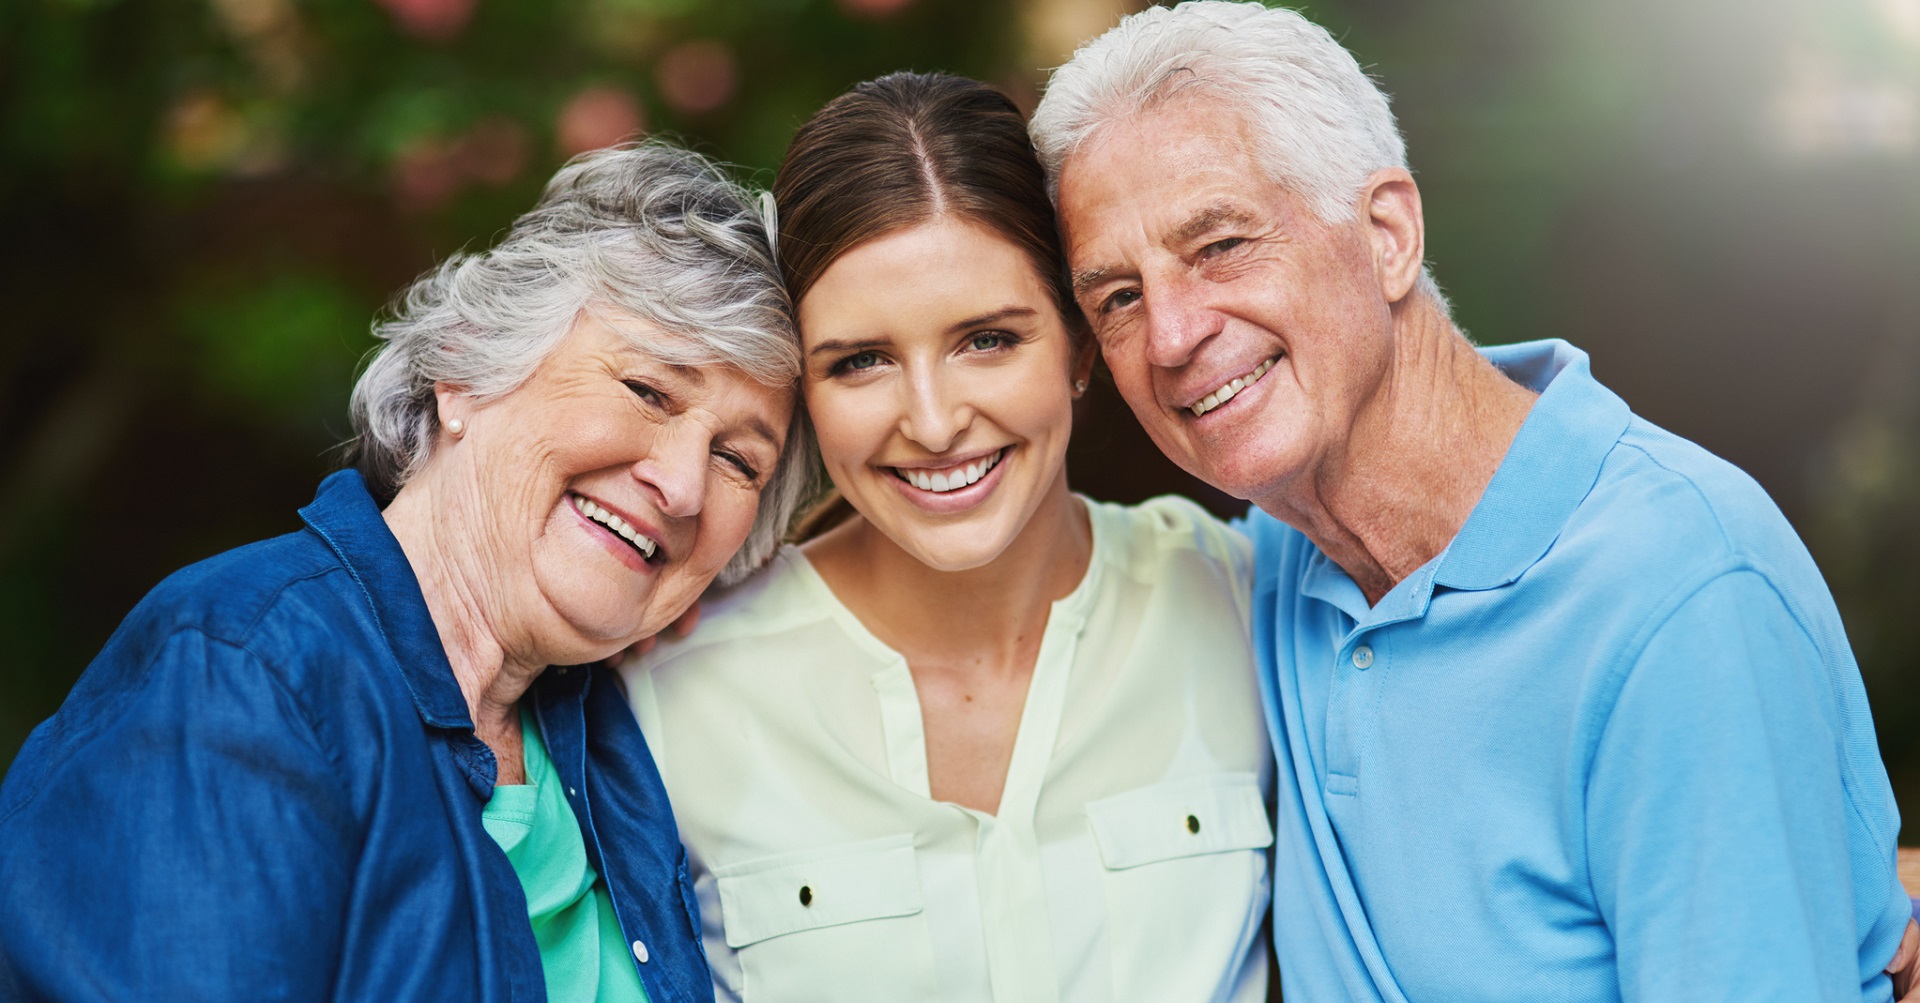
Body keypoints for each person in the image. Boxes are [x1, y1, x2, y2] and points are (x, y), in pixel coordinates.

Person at [1031, 3, 1919, 1000]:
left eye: (1222, 244)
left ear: (1387, 237)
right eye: (1116, 297)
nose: (1170, 336)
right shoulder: (1265, 569)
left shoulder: (1680, 596)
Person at [0, 142, 814, 1002]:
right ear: (465, 370)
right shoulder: (241, 671)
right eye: (648, 391)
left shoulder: (615, 735)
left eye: (738, 461)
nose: (684, 486)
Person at [622, 73, 1273, 1002]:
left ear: (1081, 344)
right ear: (803, 390)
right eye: (861, 361)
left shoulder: (1248, 604)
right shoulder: (669, 692)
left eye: (988, 340)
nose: (932, 423)